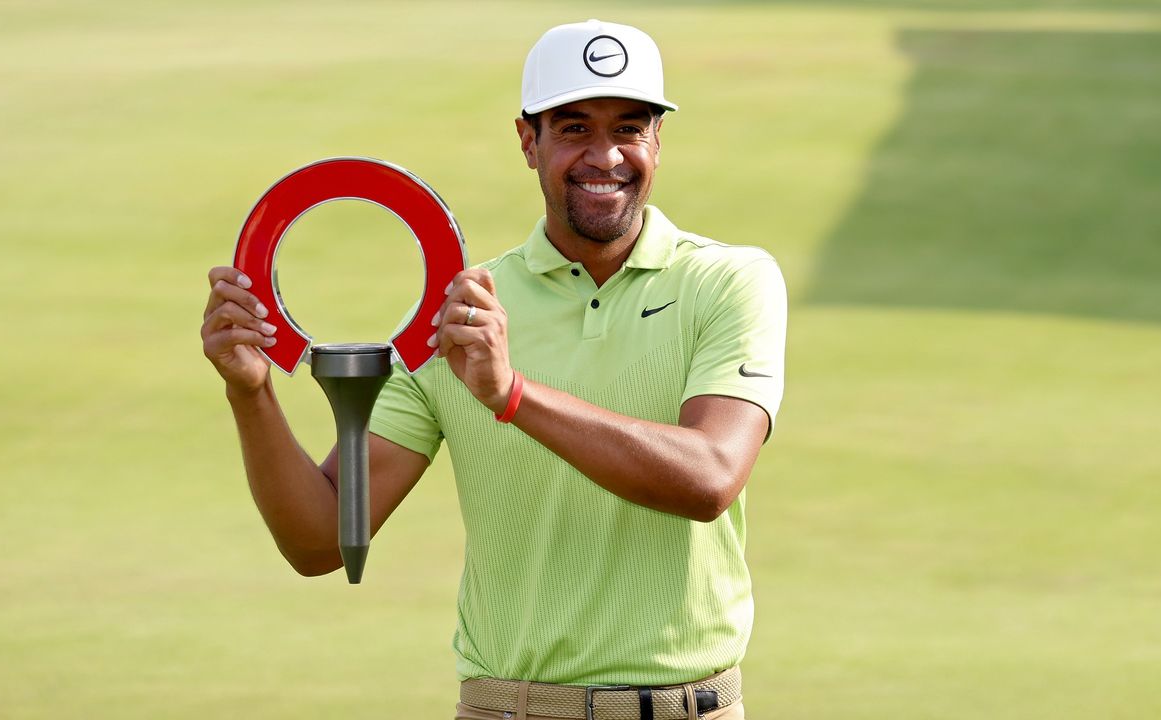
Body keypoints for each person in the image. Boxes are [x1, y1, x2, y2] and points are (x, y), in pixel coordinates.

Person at [201, 19, 785, 720]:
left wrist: (511, 395)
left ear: (658, 141)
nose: (606, 156)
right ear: (527, 141)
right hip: (510, 707)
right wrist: (251, 393)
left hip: (689, 707)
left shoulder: (730, 281)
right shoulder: (456, 313)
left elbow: (709, 478)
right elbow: (320, 538)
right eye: (574, 129)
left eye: (630, 128)